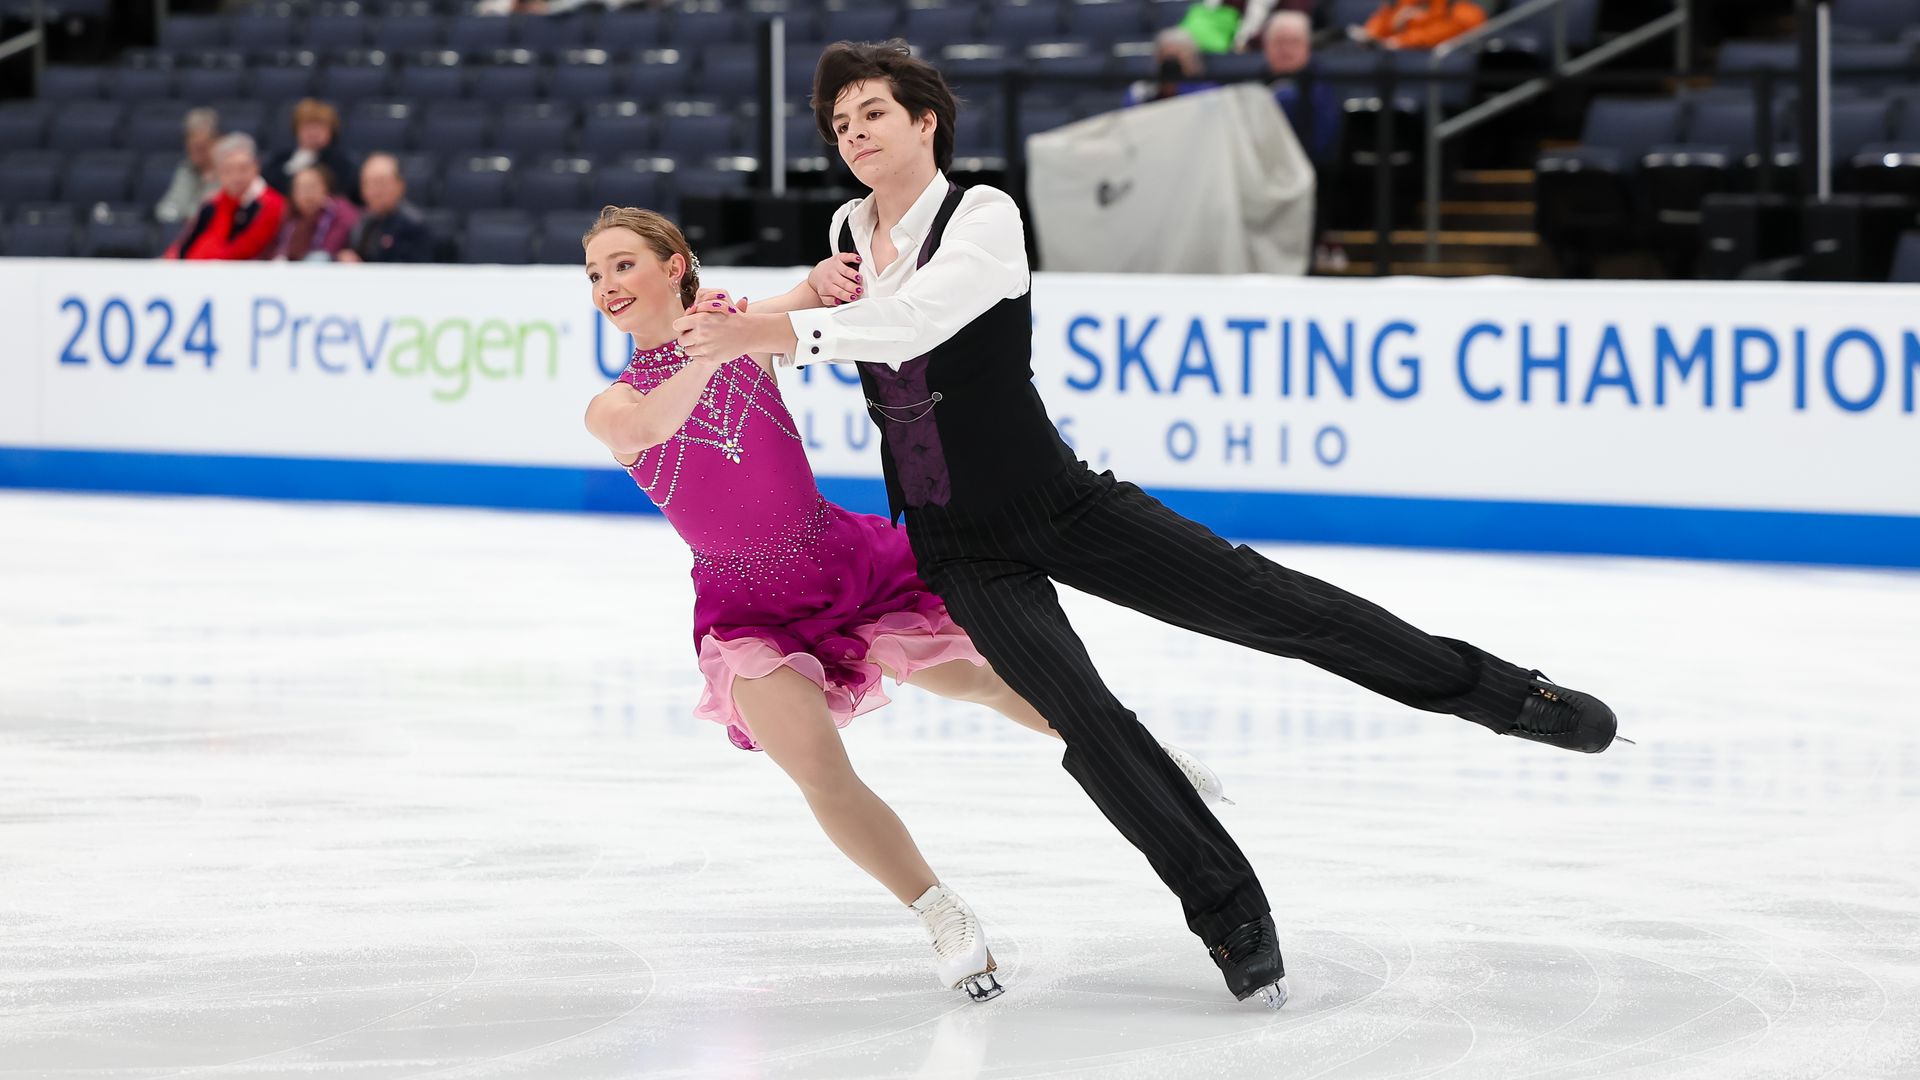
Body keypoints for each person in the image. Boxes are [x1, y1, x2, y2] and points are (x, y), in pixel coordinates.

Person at [673, 39, 1622, 1009]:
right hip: (953, 541)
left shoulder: (984, 215)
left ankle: (1503, 695)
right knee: (1085, 720)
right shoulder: (847, 229)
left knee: (1273, 605)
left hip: (1057, 500)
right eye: (839, 123)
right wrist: (755, 315)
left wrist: (774, 329)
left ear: (926, 121)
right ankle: (1230, 915)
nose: (853, 134)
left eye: (872, 112)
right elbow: (813, 321)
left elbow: (915, 322)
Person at [580, 206, 1230, 1002]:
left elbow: (813, 302)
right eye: (595, 274)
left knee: (983, 680)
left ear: (674, 266)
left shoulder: (741, 332)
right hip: (747, 614)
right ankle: (939, 911)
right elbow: (653, 422)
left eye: (622, 265)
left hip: (843, 566)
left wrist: (820, 282)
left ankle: (1141, 756)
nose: (606, 285)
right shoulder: (613, 404)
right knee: (819, 768)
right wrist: (718, 342)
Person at [163, 132, 286, 262]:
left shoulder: (271, 204)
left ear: (256, 167)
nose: (236, 177)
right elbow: (184, 243)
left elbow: (243, 251)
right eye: (228, 170)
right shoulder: (215, 202)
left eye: (243, 168)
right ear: (219, 173)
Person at [338, 154, 434, 264]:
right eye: (367, 183)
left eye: (381, 183)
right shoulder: (363, 222)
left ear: (400, 185)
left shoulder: (414, 226)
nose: (374, 191)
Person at [264, 98, 360, 204]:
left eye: (319, 127)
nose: (313, 133)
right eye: (307, 127)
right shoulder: (280, 160)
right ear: (296, 130)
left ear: (331, 131)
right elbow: (269, 189)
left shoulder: (341, 163)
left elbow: (342, 192)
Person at [271, 165, 360, 261]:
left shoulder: (339, 211)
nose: (307, 194)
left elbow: (329, 250)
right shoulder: (288, 216)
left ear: (325, 188)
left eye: (312, 187)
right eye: (301, 188)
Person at [154, 107, 220, 227]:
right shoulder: (186, 169)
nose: (196, 154)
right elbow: (166, 209)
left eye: (201, 147)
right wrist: (186, 215)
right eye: (192, 147)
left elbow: (210, 214)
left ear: (217, 141)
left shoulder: (229, 172)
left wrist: (185, 214)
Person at [1350, 0, 1488, 51]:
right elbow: (1374, 29)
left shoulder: (1460, 8)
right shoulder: (1405, 4)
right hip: (1400, 66)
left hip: (1439, 69)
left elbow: (1449, 30)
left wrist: (1401, 40)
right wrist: (1393, 24)